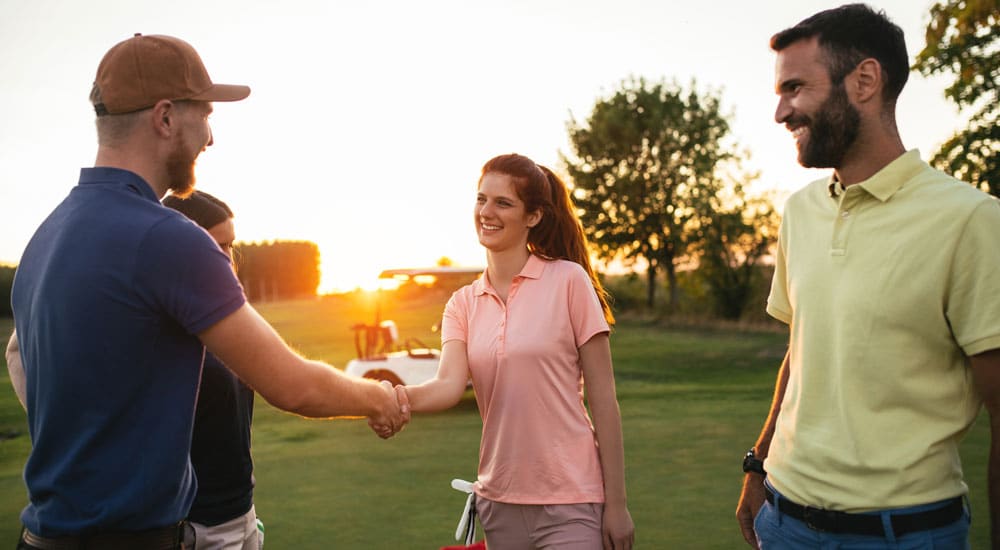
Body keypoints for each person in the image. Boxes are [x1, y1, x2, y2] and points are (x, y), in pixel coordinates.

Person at [9, 33, 408, 550]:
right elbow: (293, 386)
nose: (210, 138)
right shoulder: (167, 237)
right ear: (166, 117)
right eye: (206, 116)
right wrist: (378, 397)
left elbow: (21, 358)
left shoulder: (46, 235)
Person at [735, 4, 1000, 549]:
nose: (781, 112)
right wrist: (757, 465)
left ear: (864, 80)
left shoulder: (972, 220)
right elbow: (801, 350)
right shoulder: (800, 211)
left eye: (795, 87)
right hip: (782, 523)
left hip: (904, 535)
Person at [383, 153, 635, 550]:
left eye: (503, 203)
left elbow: (604, 401)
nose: (487, 212)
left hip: (571, 500)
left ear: (533, 216)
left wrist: (617, 505)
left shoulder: (570, 281)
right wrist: (390, 398)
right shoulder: (462, 304)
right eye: (481, 199)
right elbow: (447, 386)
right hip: (498, 503)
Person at [162, 190, 262, 550]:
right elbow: (18, 348)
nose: (227, 259)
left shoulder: (226, 321)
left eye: (230, 246)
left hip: (241, 515)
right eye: (216, 246)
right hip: (197, 527)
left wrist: (246, 515)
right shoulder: (159, 326)